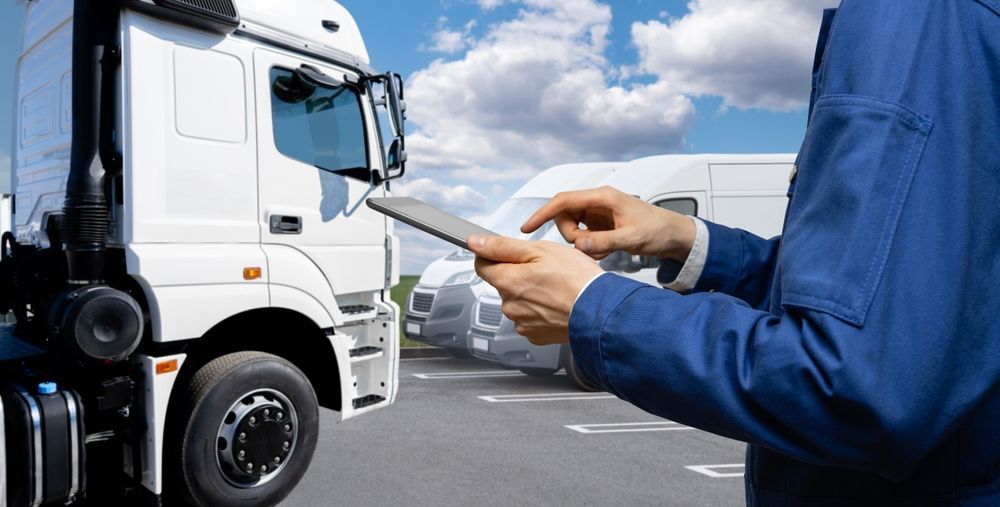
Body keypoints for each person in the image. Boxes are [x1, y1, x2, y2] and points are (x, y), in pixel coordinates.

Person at [467, 1, 1000, 505]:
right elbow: (905, 296)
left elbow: (854, 388)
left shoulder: (915, 22)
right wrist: (688, 240)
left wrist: (593, 308)